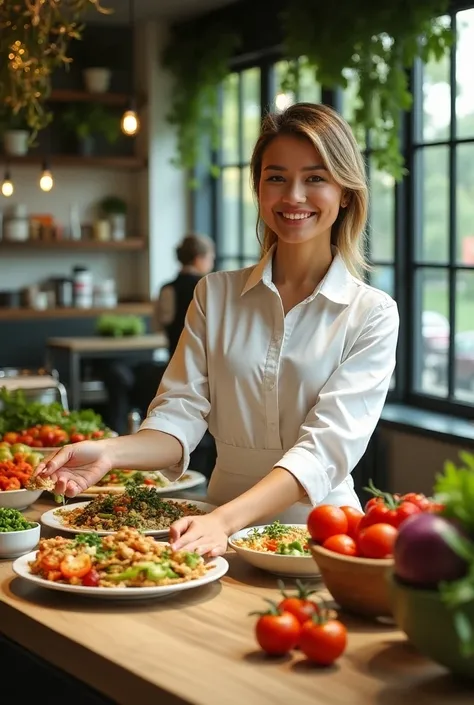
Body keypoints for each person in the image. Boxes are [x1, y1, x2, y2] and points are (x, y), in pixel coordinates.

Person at [35, 102, 399, 558]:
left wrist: (223, 520)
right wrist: (109, 453)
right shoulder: (215, 294)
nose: (294, 196)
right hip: (212, 533)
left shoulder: (373, 314)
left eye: (316, 178)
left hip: (322, 538)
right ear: (259, 188)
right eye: (276, 177)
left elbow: (325, 450)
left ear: (345, 192)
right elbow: (178, 417)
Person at [98, 233, 215, 435]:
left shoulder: (168, 289)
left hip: (177, 371)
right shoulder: (211, 288)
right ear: (200, 258)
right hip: (210, 374)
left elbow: (159, 326)